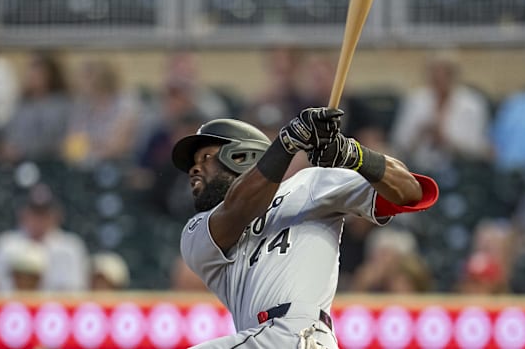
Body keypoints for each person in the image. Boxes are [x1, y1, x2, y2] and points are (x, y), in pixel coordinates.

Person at [173, 108, 439, 348]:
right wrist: (288, 143)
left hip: (301, 333)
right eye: (193, 165)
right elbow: (237, 210)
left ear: (241, 156)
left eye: (206, 157)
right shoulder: (196, 230)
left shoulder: (310, 184)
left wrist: (352, 154)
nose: (194, 170)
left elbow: (410, 192)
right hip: (264, 337)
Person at [0, 183, 90, 293]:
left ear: (56, 215)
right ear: (23, 213)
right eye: (35, 213)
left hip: (54, 308)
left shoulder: (70, 247)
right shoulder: (5, 244)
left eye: (44, 214)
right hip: (11, 307)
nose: (39, 219)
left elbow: (80, 292)